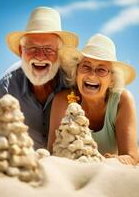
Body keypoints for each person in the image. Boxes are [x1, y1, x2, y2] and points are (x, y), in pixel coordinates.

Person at [0, 7, 79, 149]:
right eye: (32, 48)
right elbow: (0, 139)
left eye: (48, 49)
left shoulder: (73, 81)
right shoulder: (6, 87)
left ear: (60, 53)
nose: (39, 56)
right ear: (21, 51)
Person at [48, 33, 138, 165]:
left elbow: (132, 157)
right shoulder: (63, 100)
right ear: (76, 71)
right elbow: (53, 153)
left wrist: (108, 162)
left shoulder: (122, 101)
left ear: (111, 79)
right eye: (86, 66)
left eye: (101, 70)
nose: (92, 75)